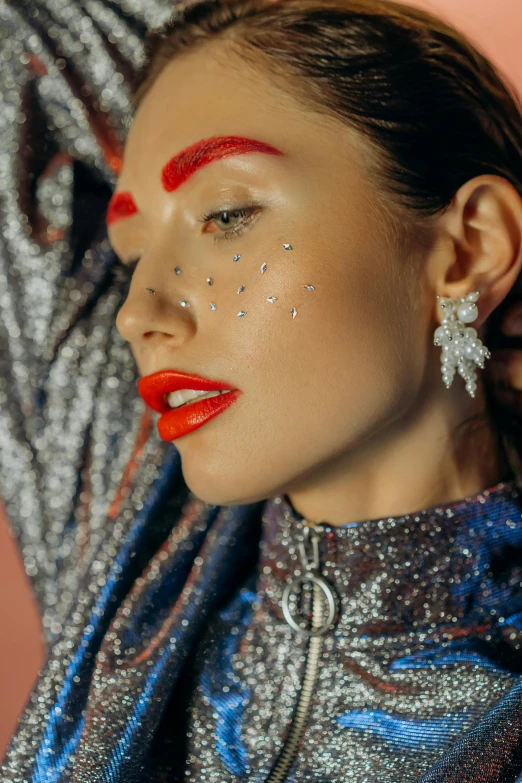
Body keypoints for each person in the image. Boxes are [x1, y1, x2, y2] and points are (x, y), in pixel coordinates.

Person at [3, 0, 522, 780]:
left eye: (225, 214)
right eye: (132, 250)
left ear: (470, 248)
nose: (138, 313)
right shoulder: (131, 550)